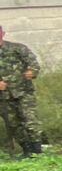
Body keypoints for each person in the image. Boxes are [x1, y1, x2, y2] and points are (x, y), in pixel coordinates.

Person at [0, 25, 44, 157]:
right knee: (13, 124)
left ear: (3, 34)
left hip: (24, 92)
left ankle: (37, 151)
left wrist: (32, 72)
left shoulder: (17, 48)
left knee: (30, 119)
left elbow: (33, 63)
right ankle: (26, 150)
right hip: (4, 96)